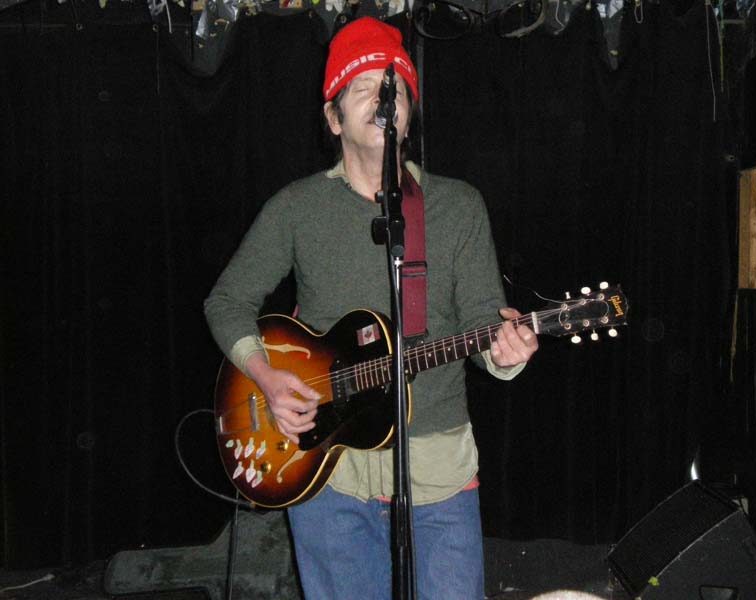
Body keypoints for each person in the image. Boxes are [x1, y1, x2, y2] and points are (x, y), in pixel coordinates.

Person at [204, 16, 538, 600]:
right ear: (333, 119)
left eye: (394, 87)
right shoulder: (296, 207)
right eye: (363, 88)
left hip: (438, 469)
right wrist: (267, 378)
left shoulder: (457, 205)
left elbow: (487, 321)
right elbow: (227, 300)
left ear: (409, 110)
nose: (384, 98)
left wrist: (508, 351)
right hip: (326, 469)